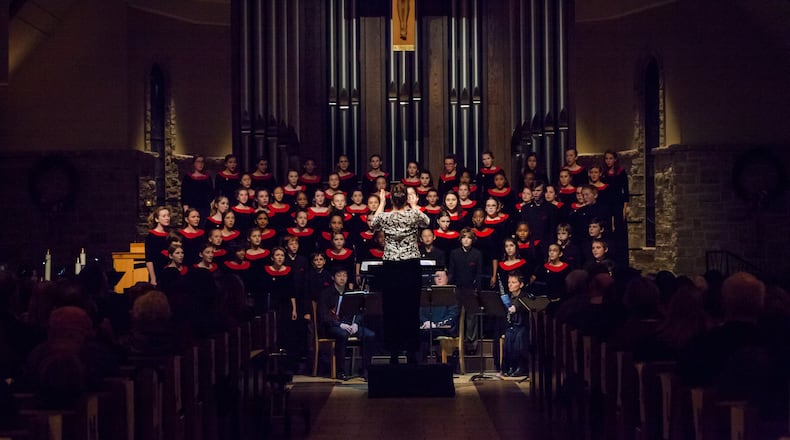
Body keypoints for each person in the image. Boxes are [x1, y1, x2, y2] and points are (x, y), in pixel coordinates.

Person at [367, 184, 430, 364]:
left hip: (392, 267)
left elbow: (373, 224)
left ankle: (394, 353)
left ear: (391, 199)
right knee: (411, 309)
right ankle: (411, 352)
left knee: (392, 310)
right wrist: (414, 205)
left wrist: (381, 202)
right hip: (410, 266)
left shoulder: (385, 217)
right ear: (406, 199)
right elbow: (426, 221)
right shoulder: (413, 214)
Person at [317, 267, 376, 379]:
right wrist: (340, 324)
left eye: (344, 275)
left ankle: (365, 369)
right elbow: (323, 316)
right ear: (333, 277)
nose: (342, 278)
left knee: (369, 335)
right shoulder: (325, 294)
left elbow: (359, 311)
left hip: (350, 325)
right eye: (339, 275)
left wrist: (356, 323)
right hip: (332, 326)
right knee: (342, 334)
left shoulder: (351, 293)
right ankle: (340, 371)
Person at [501, 272, 530, 377]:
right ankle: (510, 366)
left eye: (513, 282)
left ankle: (521, 367)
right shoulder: (508, 297)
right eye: (509, 282)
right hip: (513, 326)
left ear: (521, 284)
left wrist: (515, 308)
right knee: (509, 335)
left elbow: (521, 306)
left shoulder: (525, 296)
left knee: (519, 337)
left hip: (524, 326)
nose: (510, 285)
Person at [180, 154, 213, 219]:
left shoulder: (208, 178)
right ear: (194, 163)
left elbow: (211, 194)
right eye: (198, 162)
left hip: (204, 208)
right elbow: (184, 194)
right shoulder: (188, 177)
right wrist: (186, 208)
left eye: (202, 162)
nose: (200, 164)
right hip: (192, 207)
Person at [145, 207, 171, 286]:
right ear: (157, 219)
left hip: (170, 272)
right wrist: (153, 278)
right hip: (157, 272)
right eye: (164, 216)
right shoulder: (151, 236)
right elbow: (149, 259)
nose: (167, 218)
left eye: (168, 215)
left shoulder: (170, 235)